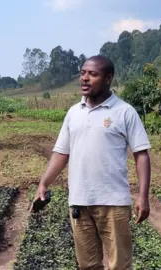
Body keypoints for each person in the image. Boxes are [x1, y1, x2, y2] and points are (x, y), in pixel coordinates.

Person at [30, 55, 151, 270]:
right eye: (83, 73)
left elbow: (141, 155)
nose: (84, 79)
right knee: (87, 265)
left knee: (119, 265)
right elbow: (61, 153)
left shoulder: (124, 112)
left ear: (108, 78)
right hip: (79, 201)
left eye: (92, 74)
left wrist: (143, 197)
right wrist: (44, 183)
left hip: (113, 202)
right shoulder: (73, 112)